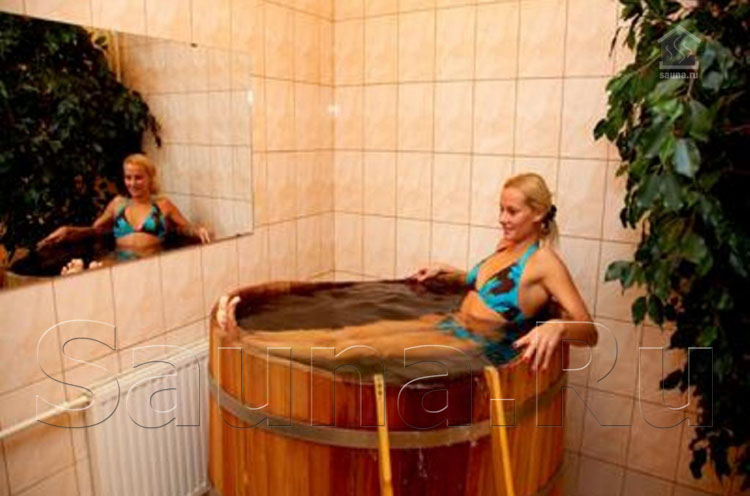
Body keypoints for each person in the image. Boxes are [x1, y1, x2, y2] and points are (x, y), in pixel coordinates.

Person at [411, 172, 598, 371]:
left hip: (475, 348)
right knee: (384, 334)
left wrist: (558, 327)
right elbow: (488, 287)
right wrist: (445, 270)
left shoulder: (543, 261)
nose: (502, 218)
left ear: (538, 213)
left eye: (512, 211)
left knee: (389, 354)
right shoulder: (506, 246)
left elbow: (590, 333)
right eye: (501, 209)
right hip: (451, 325)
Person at [37, 153, 210, 267]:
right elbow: (95, 231)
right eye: (128, 178)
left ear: (150, 178)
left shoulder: (163, 205)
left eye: (138, 178)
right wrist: (68, 231)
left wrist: (199, 230)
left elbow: (187, 227)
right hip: (119, 260)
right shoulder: (118, 204)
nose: (132, 183)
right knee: (92, 271)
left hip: (151, 260)